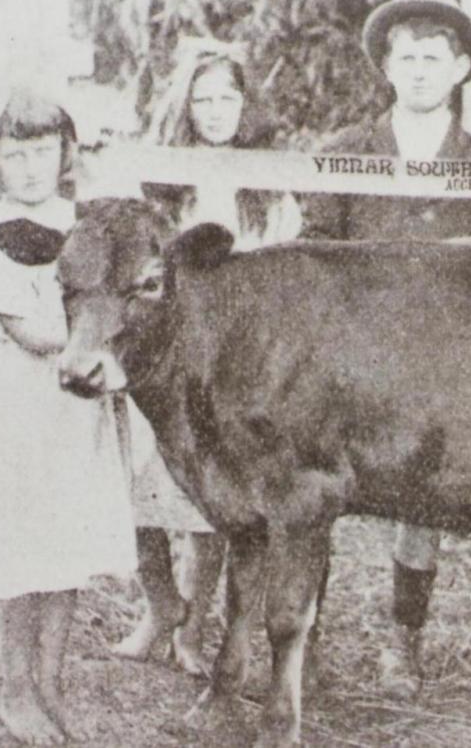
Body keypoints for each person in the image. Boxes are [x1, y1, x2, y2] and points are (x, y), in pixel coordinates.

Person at [301, 0, 471, 697]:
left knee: (420, 503)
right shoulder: (343, 152)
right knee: (314, 498)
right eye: (407, 58)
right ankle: (304, 637)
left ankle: (404, 641)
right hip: (347, 364)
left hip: (438, 368)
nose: (420, 70)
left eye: (434, 57)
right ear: (386, 68)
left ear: (460, 69)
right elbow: (311, 251)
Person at [0, 88, 137, 743]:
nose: (31, 166)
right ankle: (15, 689)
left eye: (43, 151)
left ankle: (52, 681)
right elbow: (31, 331)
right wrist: (102, 327)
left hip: (77, 411)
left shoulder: (82, 218)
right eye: (15, 153)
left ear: (65, 153)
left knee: (64, 552)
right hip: (26, 409)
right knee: (20, 556)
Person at [114, 39, 300, 676]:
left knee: (206, 499)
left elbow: (283, 278)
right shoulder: (161, 182)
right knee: (141, 486)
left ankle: (192, 625)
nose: (216, 110)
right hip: (160, 361)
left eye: (228, 97)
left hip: (232, 367)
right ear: (183, 104)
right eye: (203, 98)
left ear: (246, 104)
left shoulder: (269, 186)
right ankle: (157, 605)